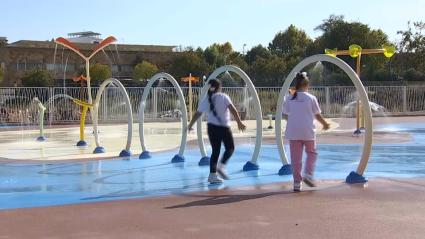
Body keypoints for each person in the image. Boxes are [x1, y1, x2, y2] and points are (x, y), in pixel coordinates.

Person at [188, 79, 246, 184]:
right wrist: (239, 122)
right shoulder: (223, 97)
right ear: (219, 87)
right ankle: (221, 166)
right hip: (223, 127)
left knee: (215, 151)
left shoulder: (207, 99)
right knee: (230, 148)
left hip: (211, 127)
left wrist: (190, 125)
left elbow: (198, 113)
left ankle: (212, 175)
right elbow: (233, 109)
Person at [282, 72, 330, 192]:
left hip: (293, 132)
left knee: (295, 158)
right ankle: (308, 174)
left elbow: (285, 114)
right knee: (312, 153)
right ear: (307, 85)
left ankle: (297, 182)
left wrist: (293, 121)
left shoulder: (289, 98)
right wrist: (325, 124)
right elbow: (317, 115)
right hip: (308, 131)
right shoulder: (311, 98)